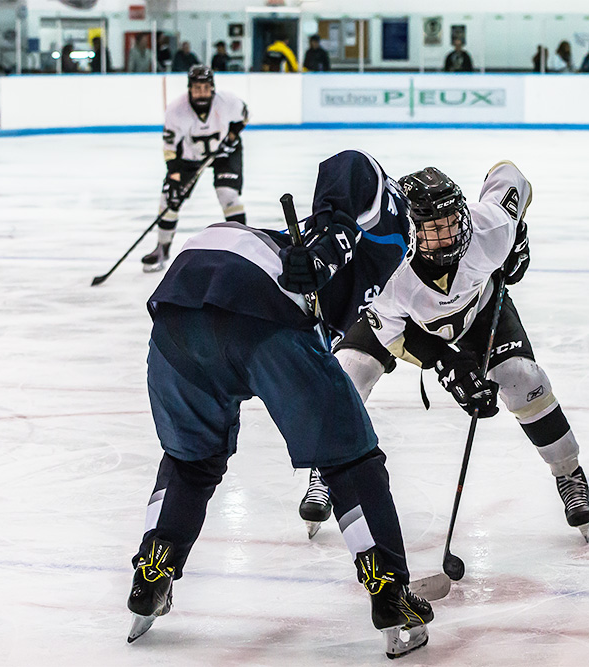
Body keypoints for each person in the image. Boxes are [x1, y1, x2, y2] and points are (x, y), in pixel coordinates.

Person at [126, 149, 434, 659]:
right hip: (256, 296)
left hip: (181, 304)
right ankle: (390, 594)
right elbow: (353, 167)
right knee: (350, 459)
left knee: (191, 461)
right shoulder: (392, 230)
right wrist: (326, 251)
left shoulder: (396, 279)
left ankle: (152, 572)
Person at [297, 162, 589, 544]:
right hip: (404, 324)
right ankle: (324, 469)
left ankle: (567, 471)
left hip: (477, 308)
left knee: (523, 377)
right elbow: (394, 336)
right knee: (347, 372)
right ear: (409, 229)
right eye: (433, 229)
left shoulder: (489, 228)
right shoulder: (389, 266)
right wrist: (446, 363)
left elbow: (510, 175)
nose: (448, 235)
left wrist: (517, 235)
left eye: (452, 221)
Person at [141, 65, 248, 273]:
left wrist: (232, 138)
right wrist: (173, 176)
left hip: (224, 154)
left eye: (205, 88)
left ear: (212, 88)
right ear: (189, 89)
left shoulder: (228, 102)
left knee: (228, 195)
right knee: (168, 199)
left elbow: (244, 116)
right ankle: (162, 248)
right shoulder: (176, 110)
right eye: (197, 88)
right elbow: (171, 149)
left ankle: (244, 246)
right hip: (189, 158)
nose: (201, 92)